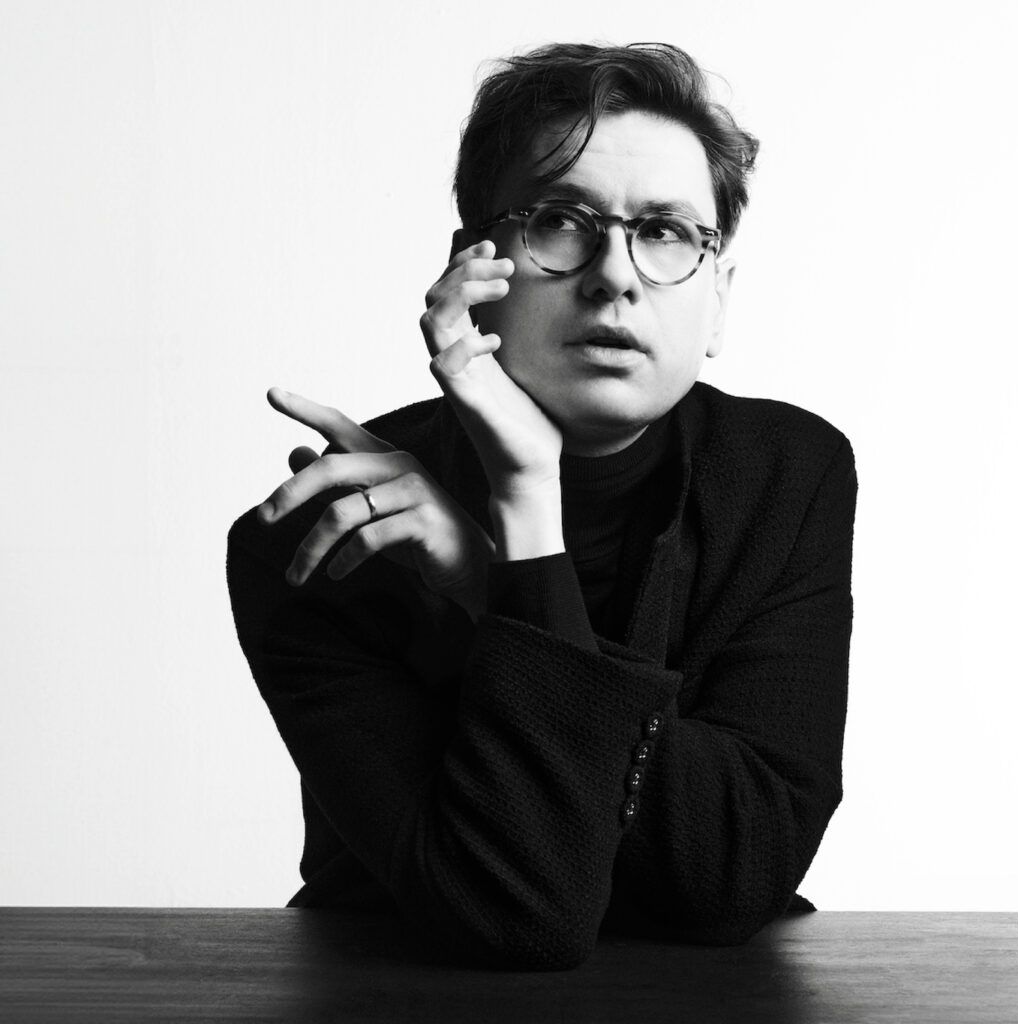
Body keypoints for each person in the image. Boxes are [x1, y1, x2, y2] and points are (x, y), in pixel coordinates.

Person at [226, 41, 858, 971]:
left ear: (718, 298)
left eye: (666, 232)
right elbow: (515, 916)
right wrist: (526, 506)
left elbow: (734, 870)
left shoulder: (786, 477)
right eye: (561, 221)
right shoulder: (328, 531)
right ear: (472, 271)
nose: (616, 275)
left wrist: (493, 583)